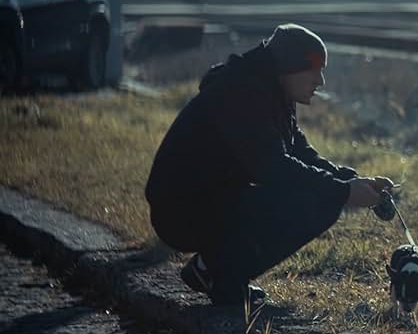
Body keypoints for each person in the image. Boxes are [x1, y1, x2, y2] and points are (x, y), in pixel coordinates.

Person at [145, 23, 395, 306]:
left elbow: (300, 154)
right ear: (289, 67)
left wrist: (353, 180)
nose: (320, 81)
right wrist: (344, 192)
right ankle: (220, 277)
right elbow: (273, 168)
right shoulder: (241, 94)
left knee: (320, 195)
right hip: (181, 211)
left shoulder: (272, 93)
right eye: (314, 69)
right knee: (315, 201)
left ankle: (213, 270)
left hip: (212, 200)